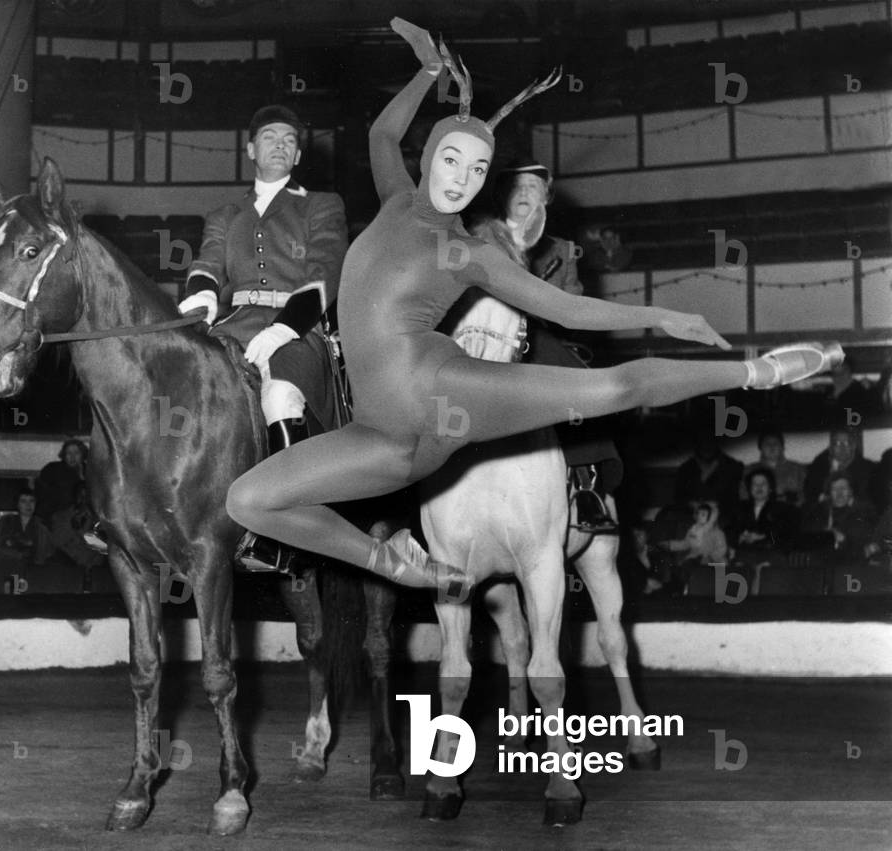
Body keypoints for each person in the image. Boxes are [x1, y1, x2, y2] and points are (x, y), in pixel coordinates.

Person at [224, 17, 844, 596]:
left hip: (443, 395)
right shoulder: (393, 199)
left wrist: (660, 317)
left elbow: (568, 312)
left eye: (479, 168)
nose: (462, 177)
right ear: (431, 157)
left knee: (611, 389)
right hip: (378, 439)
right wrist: (426, 70)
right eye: (451, 159)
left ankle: (760, 371)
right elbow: (382, 134)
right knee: (248, 501)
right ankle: (397, 565)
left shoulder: (469, 253)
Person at [180, 103, 348, 572]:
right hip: (234, 324)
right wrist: (199, 304)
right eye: (270, 136)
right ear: (251, 148)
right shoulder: (224, 214)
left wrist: (284, 328)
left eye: (289, 140)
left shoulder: (321, 205)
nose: (279, 144)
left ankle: (289, 528)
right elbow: (207, 267)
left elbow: (324, 273)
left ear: (297, 156)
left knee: (279, 398)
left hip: (297, 329)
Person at [464, 158, 621, 533]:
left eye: (533, 188)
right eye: (516, 187)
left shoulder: (562, 250)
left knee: (574, 385)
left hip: (539, 334)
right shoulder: (481, 238)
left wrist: (543, 305)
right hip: (487, 329)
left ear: (546, 199)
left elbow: (575, 304)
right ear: (503, 196)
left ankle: (586, 485)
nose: (523, 194)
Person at [0, 488, 54, 594]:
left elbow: (43, 554)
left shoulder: (41, 529)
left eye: (31, 501)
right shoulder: (6, 522)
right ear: (17, 504)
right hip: (2, 568)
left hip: (30, 574)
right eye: (23, 501)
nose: (28, 505)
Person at [800, 473, 877, 564]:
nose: (839, 493)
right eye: (835, 489)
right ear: (829, 493)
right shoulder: (820, 510)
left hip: (850, 566)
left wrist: (842, 540)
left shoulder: (863, 513)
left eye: (843, 488)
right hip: (820, 565)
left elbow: (864, 550)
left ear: (851, 491)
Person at [674, 430, 744, 529]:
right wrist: (692, 504)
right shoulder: (686, 468)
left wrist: (715, 505)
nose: (706, 444)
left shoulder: (732, 466)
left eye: (710, 439)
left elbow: (735, 498)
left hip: (723, 515)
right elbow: (679, 497)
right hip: (691, 515)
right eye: (702, 440)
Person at [732, 468, 800, 571]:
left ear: (770, 488)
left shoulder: (783, 509)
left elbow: (784, 536)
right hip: (744, 553)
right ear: (749, 488)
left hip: (771, 553)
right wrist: (740, 537)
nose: (759, 487)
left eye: (763, 484)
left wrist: (763, 537)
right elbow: (732, 532)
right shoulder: (740, 508)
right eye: (755, 484)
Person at [803, 426, 879, 509]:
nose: (842, 447)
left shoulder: (869, 469)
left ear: (853, 446)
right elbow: (809, 495)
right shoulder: (818, 468)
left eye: (847, 443)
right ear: (831, 448)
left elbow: (871, 501)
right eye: (837, 443)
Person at [741, 427, 807, 505]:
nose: (771, 447)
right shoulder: (748, 471)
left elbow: (808, 496)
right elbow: (743, 498)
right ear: (760, 447)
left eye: (775, 443)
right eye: (767, 443)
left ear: (782, 447)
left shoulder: (798, 469)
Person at [35, 438, 87, 523]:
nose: (72, 457)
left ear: (83, 455)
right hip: (54, 517)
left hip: (81, 519)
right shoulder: (52, 469)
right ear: (64, 455)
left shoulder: (90, 471)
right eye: (69, 453)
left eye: (76, 453)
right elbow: (40, 494)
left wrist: (82, 477)